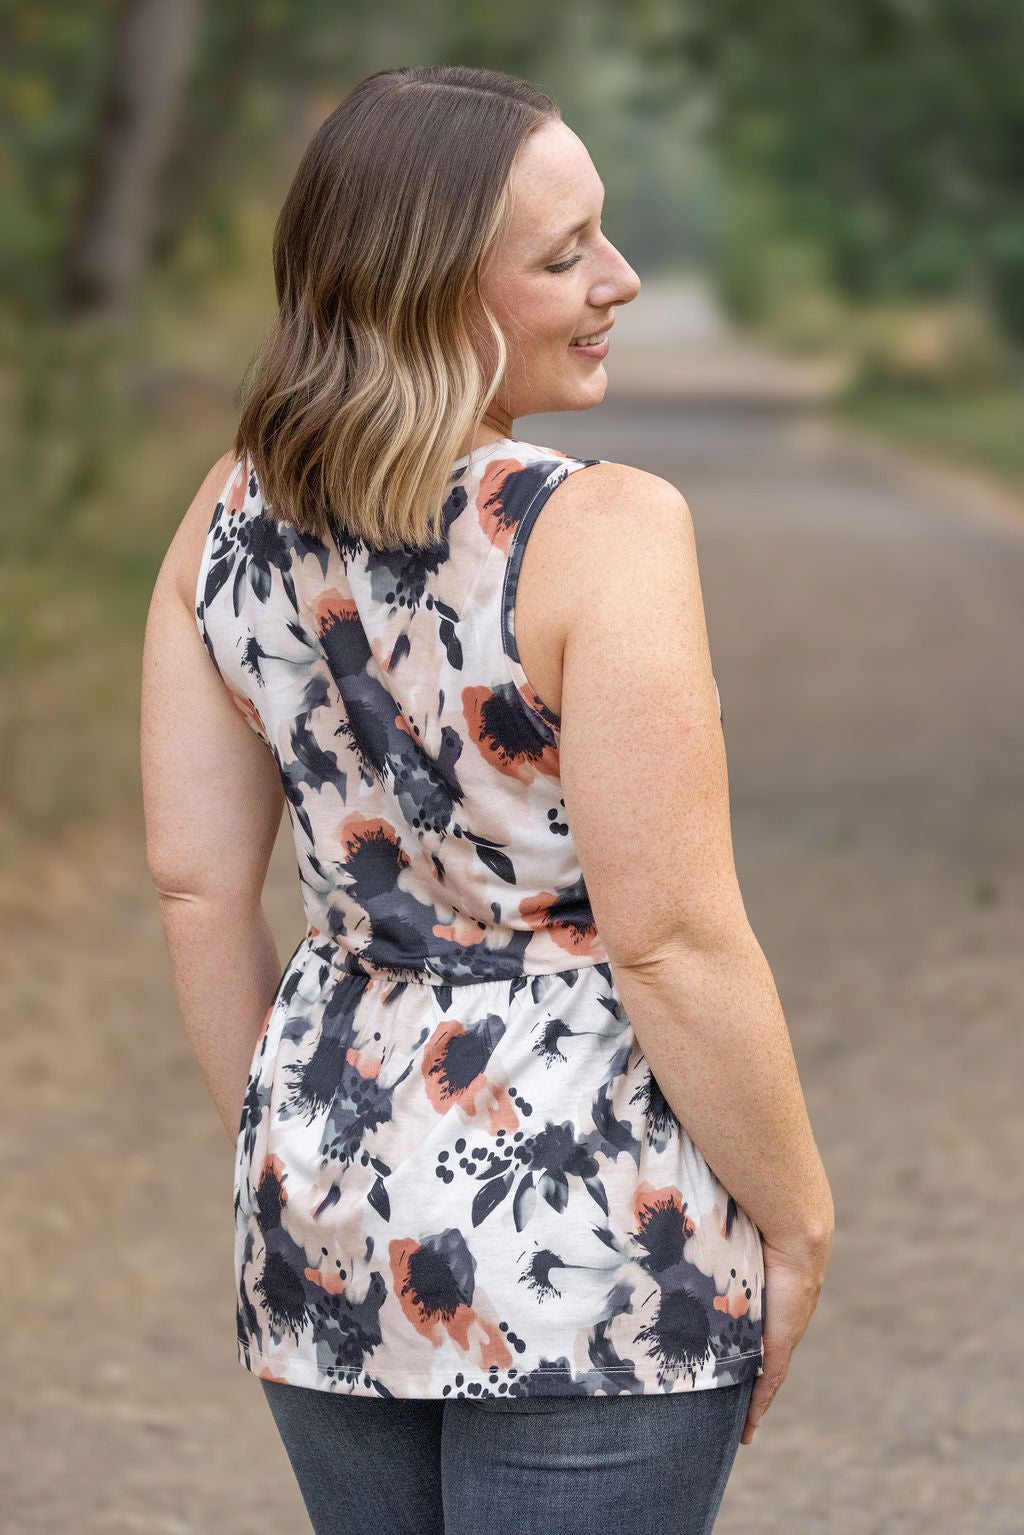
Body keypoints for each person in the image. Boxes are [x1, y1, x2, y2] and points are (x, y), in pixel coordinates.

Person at [140, 63, 834, 1535]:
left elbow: (197, 893)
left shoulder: (227, 513)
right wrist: (802, 1217)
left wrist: (295, 1153)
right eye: (566, 253)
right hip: (589, 1234)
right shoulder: (606, 532)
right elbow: (671, 942)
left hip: (319, 1197)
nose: (622, 280)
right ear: (435, 291)